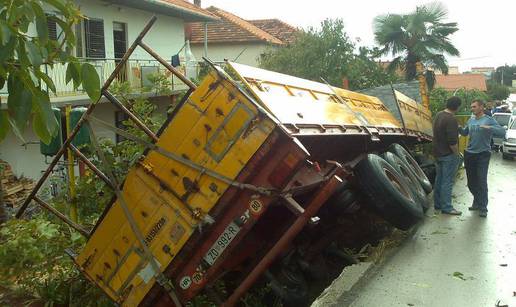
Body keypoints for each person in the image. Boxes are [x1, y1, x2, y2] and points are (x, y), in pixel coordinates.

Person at [459, 99, 506, 217]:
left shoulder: (489, 120)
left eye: (474, 107)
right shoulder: (471, 119)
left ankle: (483, 207)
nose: (472, 109)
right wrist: (459, 128)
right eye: (471, 107)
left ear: (481, 107)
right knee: (471, 182)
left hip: (482, 154)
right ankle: (477, 201)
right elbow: (465, 133)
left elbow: (502, 132)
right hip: (470, 153)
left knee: (481, 180)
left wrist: (489, 128)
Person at [432, 96, 462, 215]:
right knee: (447, 181)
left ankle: (438, 204)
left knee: (439, 179)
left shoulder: (439, 115)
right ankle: (447, 207)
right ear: (457, 106)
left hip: (437, 153)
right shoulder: (451, 119)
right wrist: (457, 154)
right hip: (448, 155)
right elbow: (452, 142)